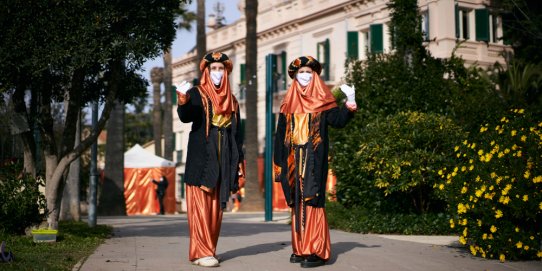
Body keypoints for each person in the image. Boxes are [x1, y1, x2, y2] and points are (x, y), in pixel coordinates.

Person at [273, 56, 357, 268]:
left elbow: (337, 121)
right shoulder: (287, 104)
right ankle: (301, 248)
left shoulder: (323, 100)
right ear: (294, 76)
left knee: (313, 200)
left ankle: (317, 250)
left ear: (315, 75)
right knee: (297, 201)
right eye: (301, 72)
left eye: (309, 72)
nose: (305, 76)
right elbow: (279, 135)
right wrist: (278, 165)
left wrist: (349, 105)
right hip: (293, 160)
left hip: (313, 159)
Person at [174, 52, 244, 268]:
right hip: (202, 160)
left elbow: (237, 134)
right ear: (206, 72)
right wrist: (183, 101)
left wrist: (239, 163)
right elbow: (187, 116)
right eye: (213, 69)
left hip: (225, 159)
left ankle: (207, 250)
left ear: (227, 72)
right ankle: (201, 251)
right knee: (201, 208)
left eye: (221, 69)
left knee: (216, 209)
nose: (217, 73)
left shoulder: (232, 100)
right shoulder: (197, 93)